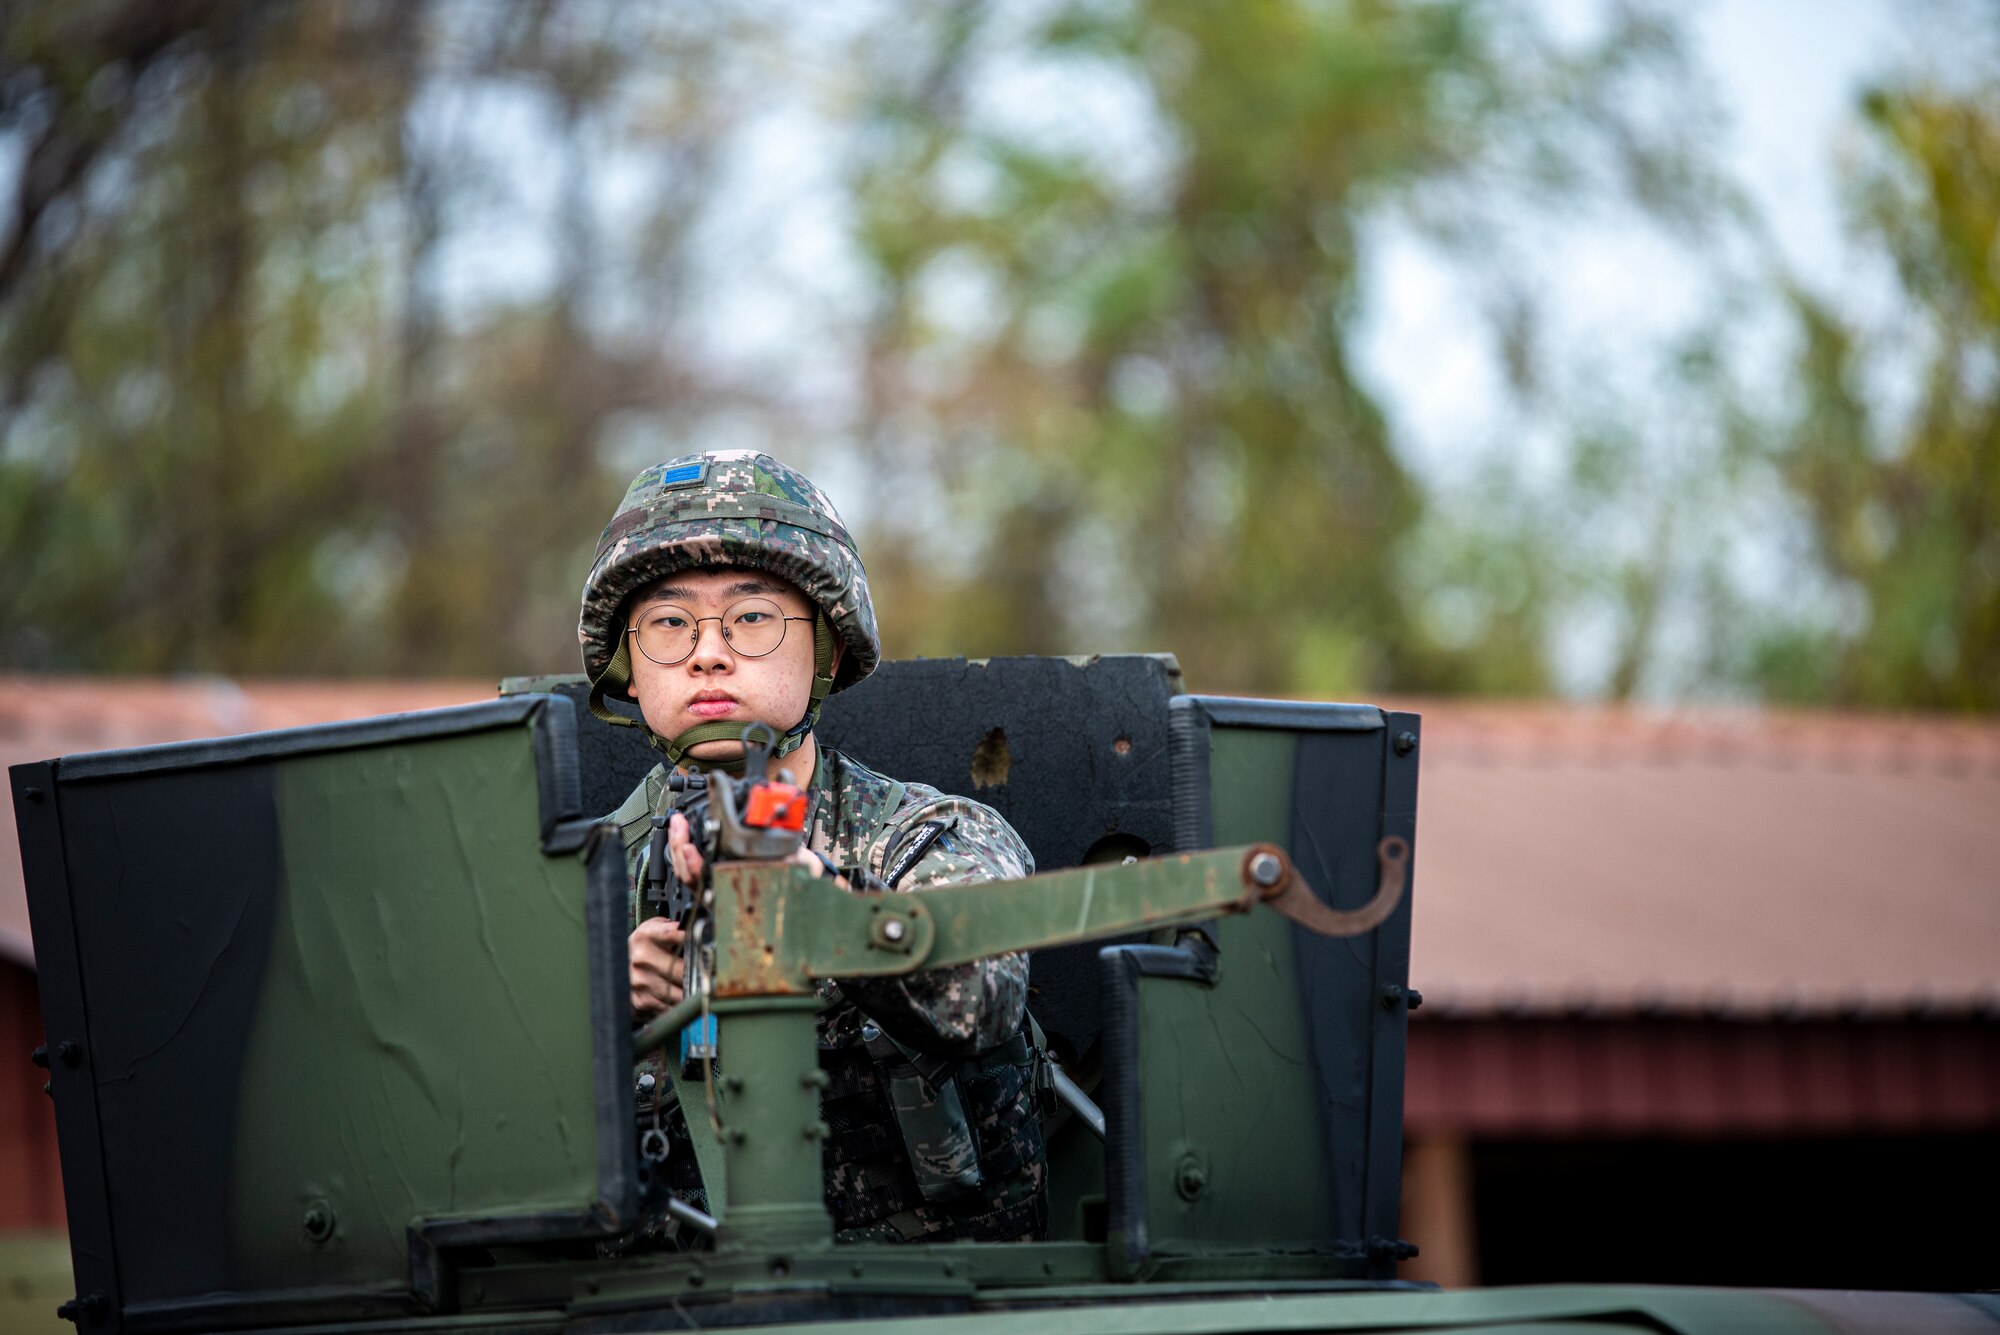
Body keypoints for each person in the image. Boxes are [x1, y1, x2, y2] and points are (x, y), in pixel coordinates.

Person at [575, 449, 1049, 1246]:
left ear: (826, 649)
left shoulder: (929, 836)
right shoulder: (573, 879)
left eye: (753, 617)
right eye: (668, 622)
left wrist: (827, 912)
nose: (707, 652)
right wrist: (592, 1009)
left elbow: (982, 989)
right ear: (628, 667)